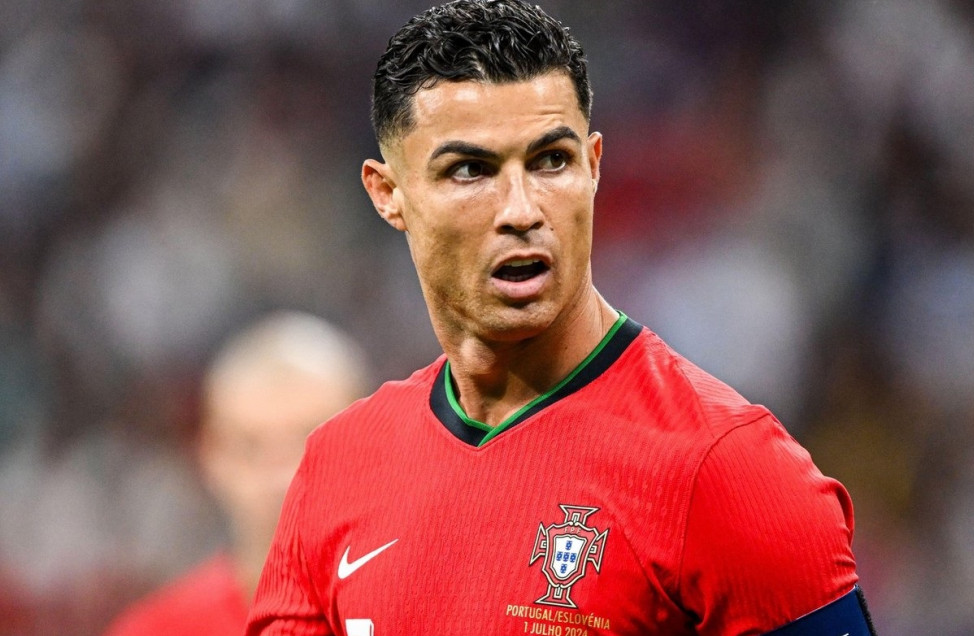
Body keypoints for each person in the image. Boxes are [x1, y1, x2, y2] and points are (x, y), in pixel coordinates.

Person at [247, 1, 877, 634]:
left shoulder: (727, 471)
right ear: (388, 194)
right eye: (470, 170)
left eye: (551, 160)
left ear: (595, 166)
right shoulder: (340, 465)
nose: (521, 209)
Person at [105, 311, 370, 636]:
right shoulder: (156, 630)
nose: (282, 478)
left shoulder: (422, 610)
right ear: (211, 455)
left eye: (312, 443)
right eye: (250, 448)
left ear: (371, 444)